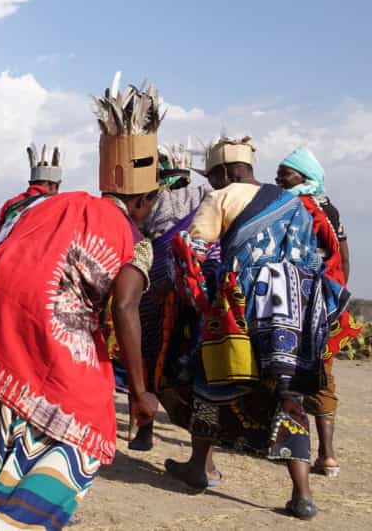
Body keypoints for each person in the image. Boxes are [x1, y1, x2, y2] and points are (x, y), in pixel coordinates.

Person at [0, 79, 162, 530]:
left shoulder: (57, 202)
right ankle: (15, 519)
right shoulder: (136, 241)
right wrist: (140, 393)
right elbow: (124, 306)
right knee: (90, 421)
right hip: (48, 312)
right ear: (142, 200)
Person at [164, 137, 345, 520]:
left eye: (214, 176)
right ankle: (302, 495)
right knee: (288, 395)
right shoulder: (289, 200)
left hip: (242, 304)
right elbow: (312, 257)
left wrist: (193, 291)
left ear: (227, 172)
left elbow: (194, 251)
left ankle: (199, 467)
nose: (212, 184)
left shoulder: (222, 197)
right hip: (292, 312)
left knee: (209, 382)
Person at [275, 146, 360, 479]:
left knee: (291, 375)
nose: (279, 177)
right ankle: (326, 455)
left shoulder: (295, 207)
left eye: (286, 172)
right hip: (327, 303)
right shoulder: (330, 209)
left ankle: (314, 455)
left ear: (305, 176)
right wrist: (335, 296)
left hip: (297, 305)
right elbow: (345, 259)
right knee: (322, 375)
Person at [122, 143, 211, 451]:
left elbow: (135, 237)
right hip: (194, 290)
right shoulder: (204, 195)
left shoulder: (149, 200)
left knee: (148, 360)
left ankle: (143, 431)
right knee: (196, 365)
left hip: (159, 289)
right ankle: (202, 454)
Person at [0, 142, 61, 233]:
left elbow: (0, 232)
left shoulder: (10, 204)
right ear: (53, 186)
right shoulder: (58, 204)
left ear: (31, 183)